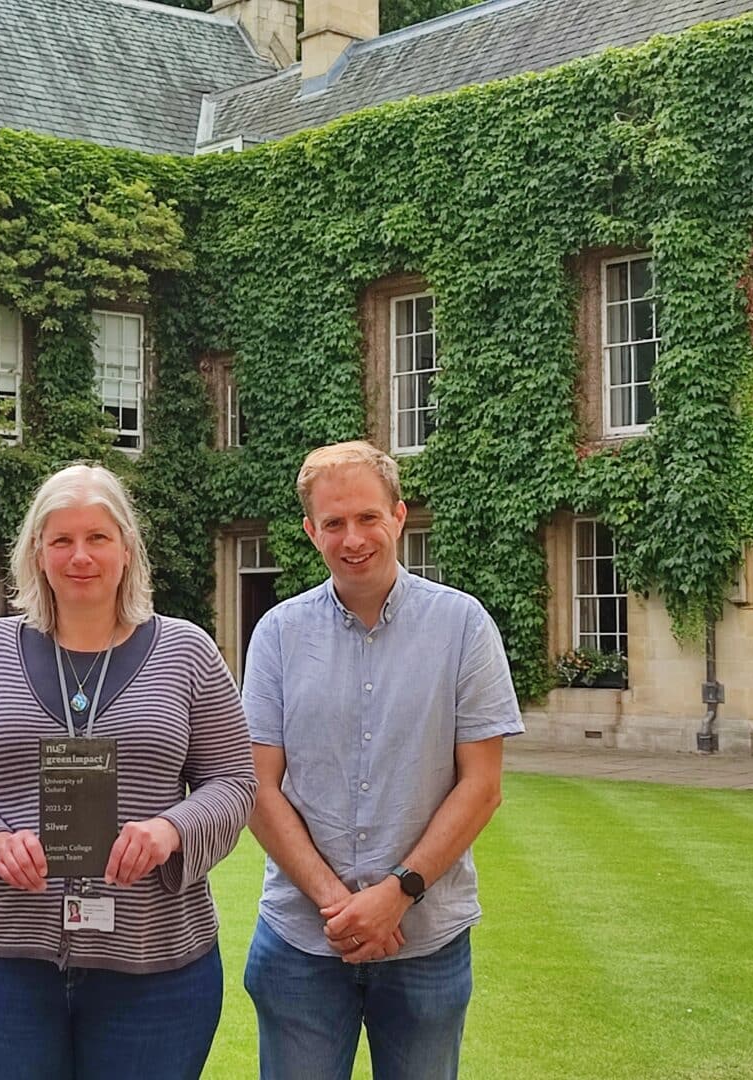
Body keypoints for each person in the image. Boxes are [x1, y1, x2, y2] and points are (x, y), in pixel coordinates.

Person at [0, 463, 257, 1080]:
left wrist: (172, 831)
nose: (80, 556)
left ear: (126, 549)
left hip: (154, 965)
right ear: (37, 554)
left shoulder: (188, 652)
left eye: (97, 538)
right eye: (61, 540)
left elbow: (234, 781)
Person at [242, 441, 524, 1080]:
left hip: (426, 939)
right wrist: (339, 905)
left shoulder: (463, 626)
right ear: (312, 532)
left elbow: (481, 786)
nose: (353, 538)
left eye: (368, 517)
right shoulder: (279, 634)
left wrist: (398, 894)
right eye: (334, 523)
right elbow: (258, 788)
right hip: (301, 942)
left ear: (399, 516)